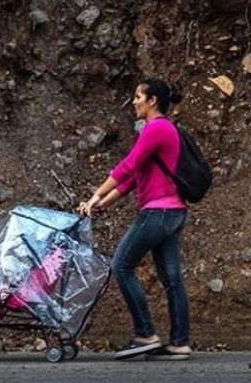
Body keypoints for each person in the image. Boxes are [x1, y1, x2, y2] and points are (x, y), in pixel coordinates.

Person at [78, 78, 192, 361]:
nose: (134, 102)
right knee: (172, 278)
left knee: (121, 265)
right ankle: (179, 343)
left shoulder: (158, 128)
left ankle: (145, 333)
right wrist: (100, 204)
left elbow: (126, 166)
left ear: (152, 101)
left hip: (159, 213)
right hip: (172, 212)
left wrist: (94, 195)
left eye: (138, 96)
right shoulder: (159, 131)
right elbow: (130, 180)